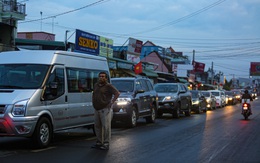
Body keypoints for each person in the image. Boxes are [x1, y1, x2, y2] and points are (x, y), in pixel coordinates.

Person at [91, 72, 120, 150]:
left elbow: (117, 93)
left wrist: (112, 102)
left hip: (104, 108)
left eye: (103, 76)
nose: (101, 77)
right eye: (100, 76)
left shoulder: (108, 86)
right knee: (97, 126)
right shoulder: (96, 85)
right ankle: (99, 142)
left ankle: (106, 143)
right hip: (96, 108)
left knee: (106, 126)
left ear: (106, 78)